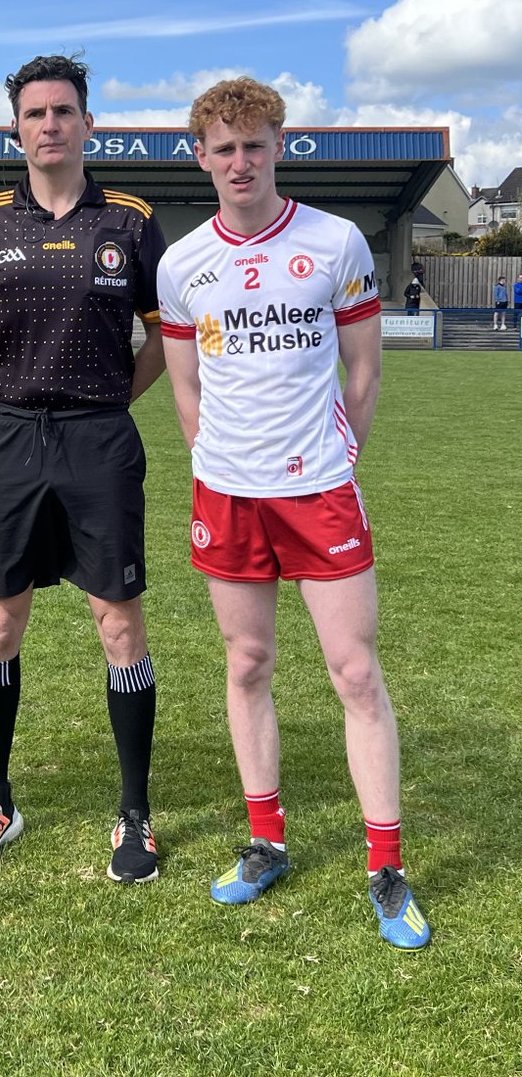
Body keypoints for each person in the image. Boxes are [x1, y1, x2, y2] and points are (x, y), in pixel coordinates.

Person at [157, 76, 431, 949]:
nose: (240, 161)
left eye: (254, 144)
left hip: (318, 492)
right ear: (201, 158)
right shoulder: (181, 263)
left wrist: (342, 455)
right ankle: (267, 841)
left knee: (354, 673)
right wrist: (210, 458)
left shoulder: (336, 240)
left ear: (280, 146)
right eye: (223, 148)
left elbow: (365, 372)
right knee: (247, 664)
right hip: (228, 496)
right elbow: (185, 385)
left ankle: (385, 866)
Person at [0, 54, 167, 884]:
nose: (49, 126)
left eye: (63, 112)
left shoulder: (133, 220)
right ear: (17, 129)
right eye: (34, 115)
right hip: (7, 439)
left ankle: (133, 811)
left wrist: (109, 402)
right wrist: (5, 391)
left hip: (100, 439)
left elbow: (163, 337)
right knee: (0, 624)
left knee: (118, 623)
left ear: (87, 123)